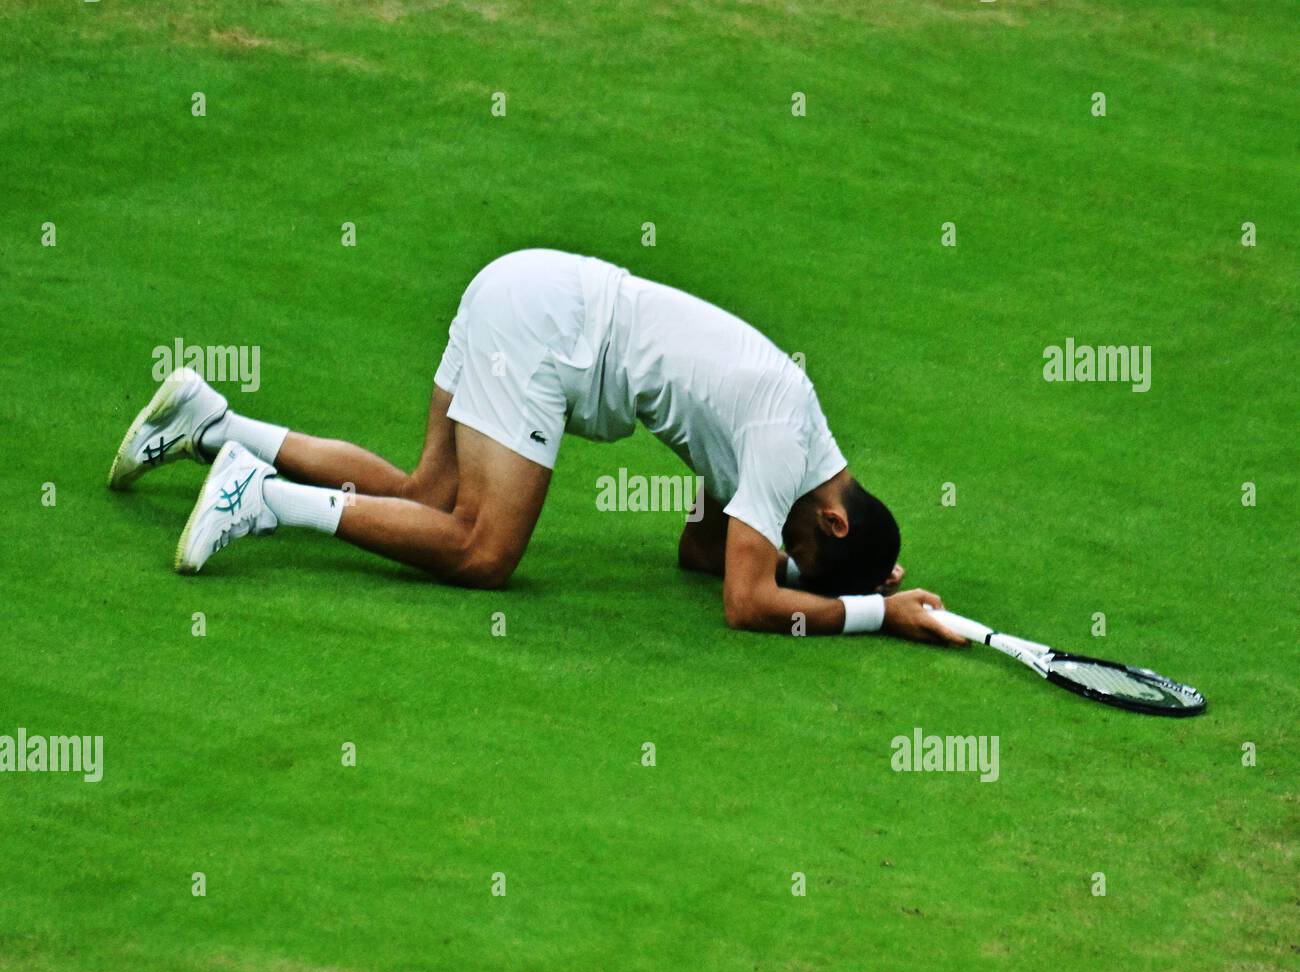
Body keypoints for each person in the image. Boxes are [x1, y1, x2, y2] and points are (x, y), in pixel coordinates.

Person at [108, 249, 965, 644]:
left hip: (522, 285)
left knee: (426, 500)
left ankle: (211, 424)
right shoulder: (785, 444)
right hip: (547, 329)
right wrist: (871, 614)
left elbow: (702, 553)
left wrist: (837, 576)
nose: (788, 550)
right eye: (803, 548)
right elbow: (744, 604)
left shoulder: (792, 448)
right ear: (835, 519)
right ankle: (258, 499)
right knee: (484, 551)